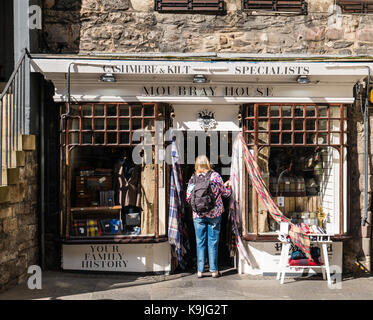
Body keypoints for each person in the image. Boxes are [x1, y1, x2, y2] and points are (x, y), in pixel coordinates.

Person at [186, 155, 231, 278]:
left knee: (200, 242)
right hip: (214, 214)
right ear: (208, 164)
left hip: (198, 215)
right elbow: (225, 194)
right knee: (213, 242)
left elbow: (188, 197)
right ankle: (214, 271)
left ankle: (200, 271)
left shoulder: (193, 178)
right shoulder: (215, 176)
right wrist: (229, 186)